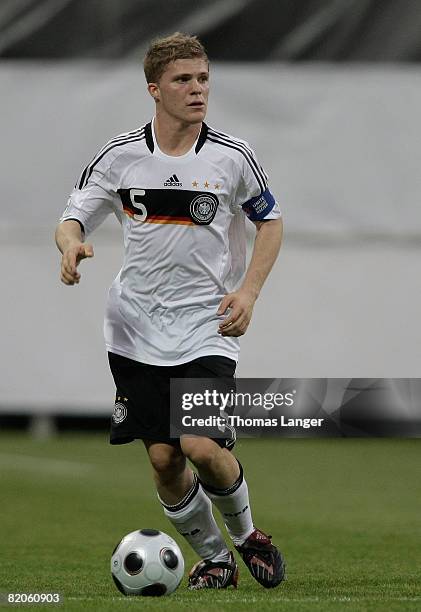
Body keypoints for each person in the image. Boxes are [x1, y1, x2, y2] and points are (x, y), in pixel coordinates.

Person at [55, 32, 285, 590]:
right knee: (163, 458)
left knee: (201, 444)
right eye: (184, 80)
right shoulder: (120, 155)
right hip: (134, 328)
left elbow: (270, 223)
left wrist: (249, 292)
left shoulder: (232, 157)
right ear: (155, 90)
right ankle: (214, 559)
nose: (197, 89)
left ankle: (249, 535)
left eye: (203, 79)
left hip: (208, 325)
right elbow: (73, 216)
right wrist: (70, 244)